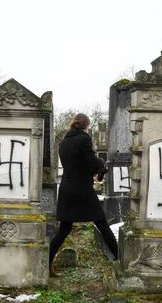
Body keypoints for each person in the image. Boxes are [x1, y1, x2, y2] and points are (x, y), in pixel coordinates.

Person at [49, 113, 118, 277]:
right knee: (102, 223)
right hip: (82, 189)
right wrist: (102, 165)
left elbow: (78, 163)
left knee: (64, 229)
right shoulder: (84, 139)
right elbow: (91, 161)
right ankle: (119, 259)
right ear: (86, 126)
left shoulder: (64, 142)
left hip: (66, 188)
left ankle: (46, 265)